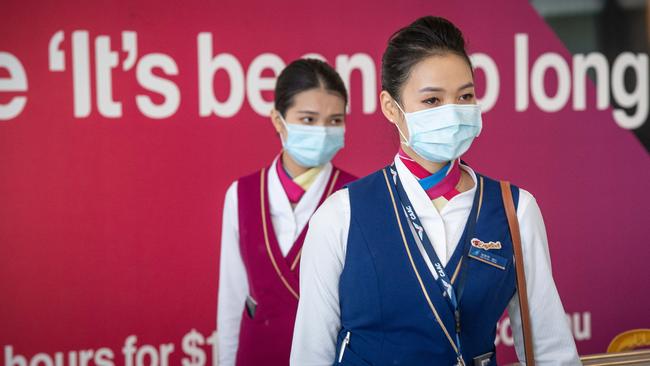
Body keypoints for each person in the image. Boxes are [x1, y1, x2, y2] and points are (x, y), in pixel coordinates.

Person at [291, 16, 580, 366]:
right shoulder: (341, 215)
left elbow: (550, 350)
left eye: (465, 96)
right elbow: (311, 354)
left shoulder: (513, 209)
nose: (453, 113)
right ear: (390, 108)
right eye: (432, 101)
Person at [217, 59, 357, 366]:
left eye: (334, 121)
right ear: (278, 120)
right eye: (308, 119)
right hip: (257, 355)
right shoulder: (241, 194)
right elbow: (232, 300)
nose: (322, 131)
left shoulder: (356, 196)